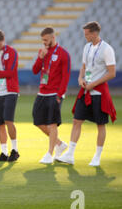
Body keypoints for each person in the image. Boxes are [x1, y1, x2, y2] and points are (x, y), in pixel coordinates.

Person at [56, 21, 116, 167]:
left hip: (99, 92)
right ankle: (70, 154)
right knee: (77, 120)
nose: (85, 36)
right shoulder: (87, 47)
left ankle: (97, 156)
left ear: (94, 33)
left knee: (100, 124)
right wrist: (80, 78)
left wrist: (94, 84)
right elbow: (84, 66)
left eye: (87, 34)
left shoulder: (107, 49)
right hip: (85, 90)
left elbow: (112, 73)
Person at [32, 27, 71, 164]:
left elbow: (66, 77)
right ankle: (59, 144)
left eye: (46, 40)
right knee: (37, 120)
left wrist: (60, 95)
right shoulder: (42, 52)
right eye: (42, 40)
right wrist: (39, 58)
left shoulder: (63, 54)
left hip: (55, 93)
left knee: (52, 123)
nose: (44, 43)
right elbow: (35, 70)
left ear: (53, 38)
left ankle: (50, 153)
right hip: (42, 92)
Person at [0, 29, 20, 162]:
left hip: (10, 91)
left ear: (3, 41)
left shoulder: (11, 52)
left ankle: (15, 150)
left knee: (8, 120)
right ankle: (3, 152)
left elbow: (10, 72)